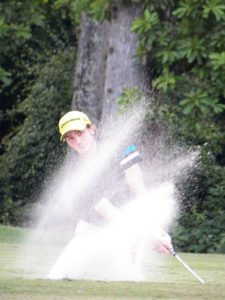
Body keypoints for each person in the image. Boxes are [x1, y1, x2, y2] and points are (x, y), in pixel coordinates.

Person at [58, 110, 173, 255]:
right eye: (70, 138)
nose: (78, 142)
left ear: (92, 130)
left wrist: (153, 228)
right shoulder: (77, 174)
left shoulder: (120, 147)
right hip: (92, 228)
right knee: (63, 275)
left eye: (80, 133)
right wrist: (146, 237)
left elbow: (137, 185)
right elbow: (107, 211)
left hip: (129, 218)